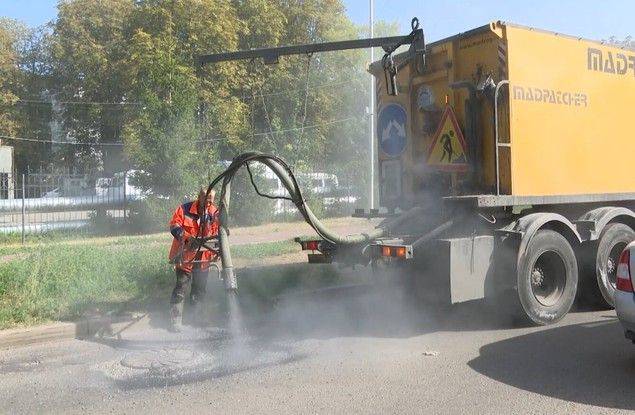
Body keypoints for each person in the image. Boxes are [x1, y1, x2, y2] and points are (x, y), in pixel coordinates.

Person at [168, 187, 220, 332]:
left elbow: (217, 232)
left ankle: (197, 319)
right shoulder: (184, 209)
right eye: (206, 197)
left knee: (199, 290)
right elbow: (174, 226)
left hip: (204, 258)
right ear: (200, 196)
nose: (208, 201)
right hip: (184, 257)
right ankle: (175, 322)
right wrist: (187, 238)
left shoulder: (214, 212)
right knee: (181, 288)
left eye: (211, 198)